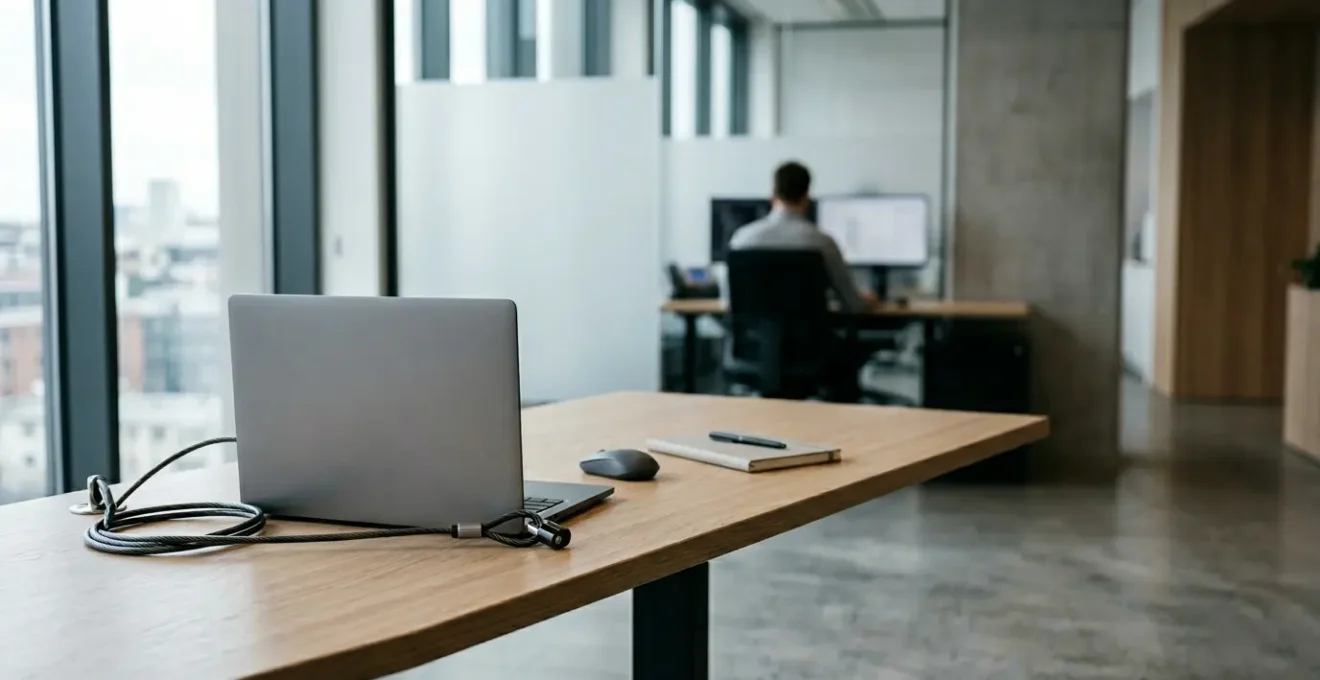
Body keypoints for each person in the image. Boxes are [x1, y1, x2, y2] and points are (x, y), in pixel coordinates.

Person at [728, 161, 874, 312]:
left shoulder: (741, 240)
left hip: (756, 335)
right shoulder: (822, 243)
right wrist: (866, 300)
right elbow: (853, 305)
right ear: (806, 198)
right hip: (810, 335)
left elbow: (731, 300)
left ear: (772, 196)